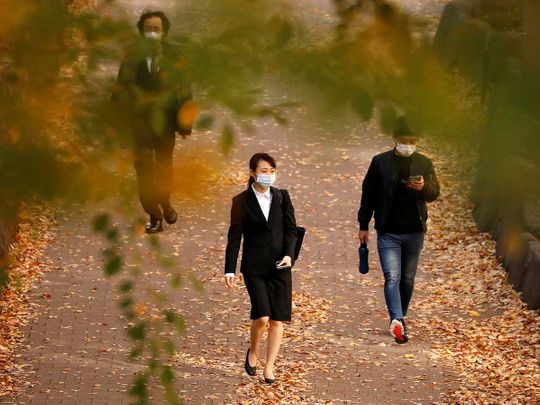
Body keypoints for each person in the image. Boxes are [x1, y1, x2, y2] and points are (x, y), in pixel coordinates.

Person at [357, 116, 440, 344]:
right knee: (392, 276)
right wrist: (363, 224)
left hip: (414, 231)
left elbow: (435, 194)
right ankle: (397, 319)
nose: (408, 144)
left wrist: (423, 188)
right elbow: (369, 194)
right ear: (395, 138)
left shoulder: (424, 163)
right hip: (388, 231)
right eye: (404, 140)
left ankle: (400, 318)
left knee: (408, 279)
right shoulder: (380, 162)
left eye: (412, 140)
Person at [112, 10, 193, 233]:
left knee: (165, 168)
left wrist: (185, 124)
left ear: (164, 33)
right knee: (144, 170)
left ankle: (165, 202)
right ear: (141, 32)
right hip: (138, 125)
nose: (152, 33)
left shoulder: (174, 56)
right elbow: (119, 92)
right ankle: (154, 215)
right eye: (148, 29)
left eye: (156, 29)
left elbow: (185, 90)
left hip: (165, 124)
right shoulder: (132, 57)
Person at [224, 153, 298, 384]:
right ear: (253, 173)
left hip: (280, 267)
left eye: (271, 171)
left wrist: (289, 255)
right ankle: (253, 350)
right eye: (263, 171)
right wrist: (229, 269)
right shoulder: (241, 201)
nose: (268, 175)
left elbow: (291, 230)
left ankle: (269, 367)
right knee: (263, 316)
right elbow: (234, 237)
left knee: (277, 320)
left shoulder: (282, 197)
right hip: (254, 268)